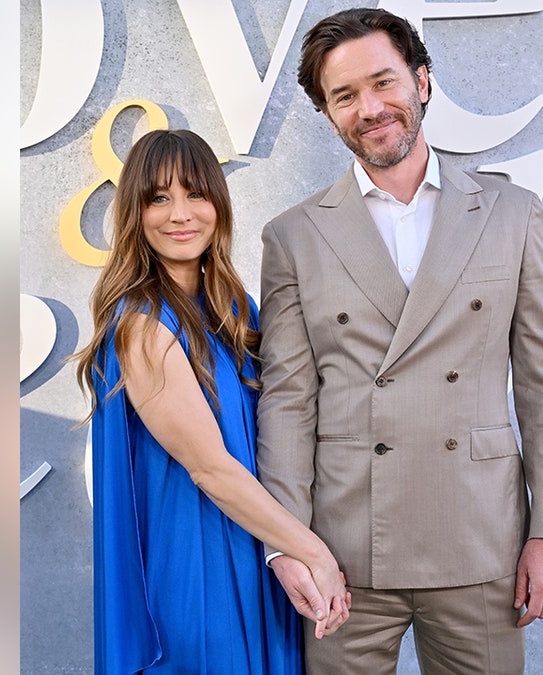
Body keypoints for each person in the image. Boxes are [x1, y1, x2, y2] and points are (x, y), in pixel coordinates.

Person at [256, 8, 543, 673]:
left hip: (479, 538)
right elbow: (288, 401)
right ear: (327, 114)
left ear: (422, 82)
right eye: (345, 96)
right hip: (343, 549)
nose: (370, 108)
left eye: (384, 82)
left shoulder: (511, 214)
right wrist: (287, 542)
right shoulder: (293, 236)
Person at [73, 129, 349, 674]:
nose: (180, 214)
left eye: (196, 193)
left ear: (218, 205)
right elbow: (211, 469)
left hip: (255, 548)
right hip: (194, 571)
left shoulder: (234, 308)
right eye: (158, 198)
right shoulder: (142, 325)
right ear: (136, 213)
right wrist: (316, 553)